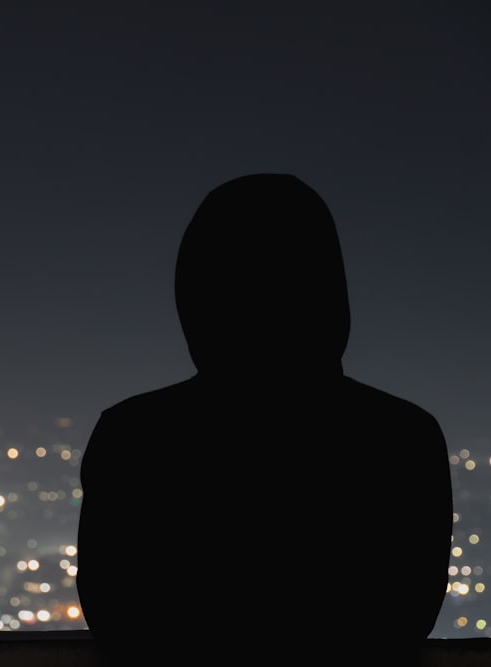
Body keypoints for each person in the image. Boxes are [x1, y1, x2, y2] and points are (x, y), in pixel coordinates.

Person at [75, 173, 453, 664]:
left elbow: (118, 617)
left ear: (196, 292)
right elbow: (403, 618)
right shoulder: (403, 438)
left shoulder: (133, 436)